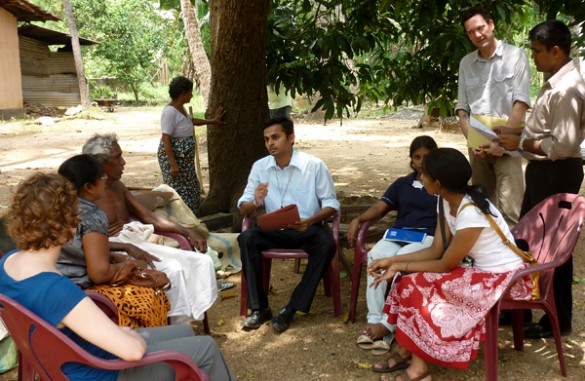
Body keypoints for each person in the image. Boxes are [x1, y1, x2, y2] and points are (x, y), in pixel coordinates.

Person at [1, 173, 236, 381]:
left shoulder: (7, 263)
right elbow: (132, 351)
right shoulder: (57, 289)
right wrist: (125, 334)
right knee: (204, 347)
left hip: (67, 360)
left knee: (184, 332)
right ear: (72, 224)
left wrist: (123, 334)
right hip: (100, 372)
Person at [367, 148, 532, 381]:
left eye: (424, 174)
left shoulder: (471, 211)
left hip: (502, 277)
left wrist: (399, 265)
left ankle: (419, 369)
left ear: (437, 183)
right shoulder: (445, 201)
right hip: (476, 270)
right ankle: (408, 350)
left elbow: (445, 264)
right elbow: (436, 250)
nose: (420, 177)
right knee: (407, 283)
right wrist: (392, 261)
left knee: (418, 289)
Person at [497, 20, 585, 339]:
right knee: (527, 241)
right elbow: (547, 133)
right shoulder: (556, 81)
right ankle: (515, 307)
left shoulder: (567, 88)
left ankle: (557, 319)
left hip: (556, 171)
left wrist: (520, 144)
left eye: (536, 51)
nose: (533, 57)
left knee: (554, 247)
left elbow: (562, 145)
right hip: (542, 170)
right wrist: (518, 134)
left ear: (556, 51)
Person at [82, 133, 217, 323]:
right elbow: (84, 242)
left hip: (136, 242)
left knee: (200, 262)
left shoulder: (118, 186)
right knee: (173, 269)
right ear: (101, 164)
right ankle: (174, 326)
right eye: (118, 157)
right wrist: (125, 247)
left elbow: (148, 216)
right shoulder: (86, 196)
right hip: (113, 248)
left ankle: (187, 321)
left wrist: (187, 231)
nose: (124, 162)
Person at [237, 116, 340, 333]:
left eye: (275, 137)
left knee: (326, 244)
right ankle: (259, 308)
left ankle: (291, 308)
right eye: (266, 139)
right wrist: (255, 201)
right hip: (274, 230)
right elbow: (243, 209)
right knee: (247, 238)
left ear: (291, 138)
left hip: (306, 229)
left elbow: (331, 204)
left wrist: (310, 221)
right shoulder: (260, 167)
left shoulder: (313, 166)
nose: (270, 143)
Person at [57, 154, 170, 328]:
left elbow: (78, 246)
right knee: (150, 297)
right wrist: (129, 266)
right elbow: (99, 273)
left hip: (55, 285)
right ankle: (146, 345)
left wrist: (120, 248)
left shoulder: (57, 207)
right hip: (78, 291)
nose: (105, 181)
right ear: (88, 187)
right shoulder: (93, 215)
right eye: (102, 177)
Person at [346, 136, 438, 350]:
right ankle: (375, 318)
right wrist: (358, 219)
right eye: (417, 157)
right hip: (398, 235)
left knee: (399, 265)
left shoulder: (441, 184)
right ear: (411, 159)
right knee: (375, 257)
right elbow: (380, 208)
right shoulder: (402, 184)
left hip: (429, 239)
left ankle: (388, 325)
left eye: (427, 156)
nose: (422, 161)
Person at [455, 5, 530, 227]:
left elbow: (521, 102)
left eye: (480, 28)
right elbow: (462, 108)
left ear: (491, 24)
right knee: (481, 207)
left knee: (511, 210)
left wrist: (501, 142)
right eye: (471, 32)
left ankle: (515, 259)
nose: (477, 35)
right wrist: (472, 141)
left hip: (507, 144)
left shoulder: (516, 55)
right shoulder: (466, 63)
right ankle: (488, 259)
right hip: (477, 146)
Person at [158, 76, 224, 216]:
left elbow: (190, 121)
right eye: (190, 92)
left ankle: (192, 216)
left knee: (192, 187)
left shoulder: (180, 108)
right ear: (183, 93)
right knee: (178, 190)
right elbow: (166, 138)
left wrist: (212, 121)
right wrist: (173, 163)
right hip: (176, 159)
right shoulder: (169, 112)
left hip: (185, 160)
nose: (192, 95)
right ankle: (181, 219)